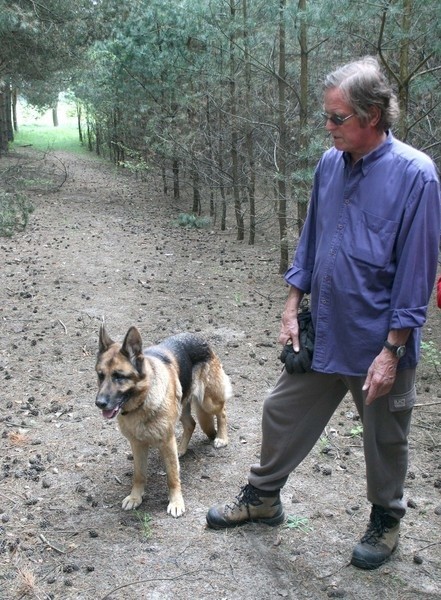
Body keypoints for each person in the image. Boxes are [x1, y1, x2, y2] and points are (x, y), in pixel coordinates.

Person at [206, 57, 441, 571]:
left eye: (338, 118)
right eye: (326, 117)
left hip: (380, 341)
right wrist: (293, 304)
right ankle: (263, 498)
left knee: (384, 438)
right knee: (280, 410)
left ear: (373, 114)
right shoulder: (329, 164)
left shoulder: (415, 175)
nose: (328, 127)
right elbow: (312, 238)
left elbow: (417, 273)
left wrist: (392, 351)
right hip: (325, 331)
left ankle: (386, 521)